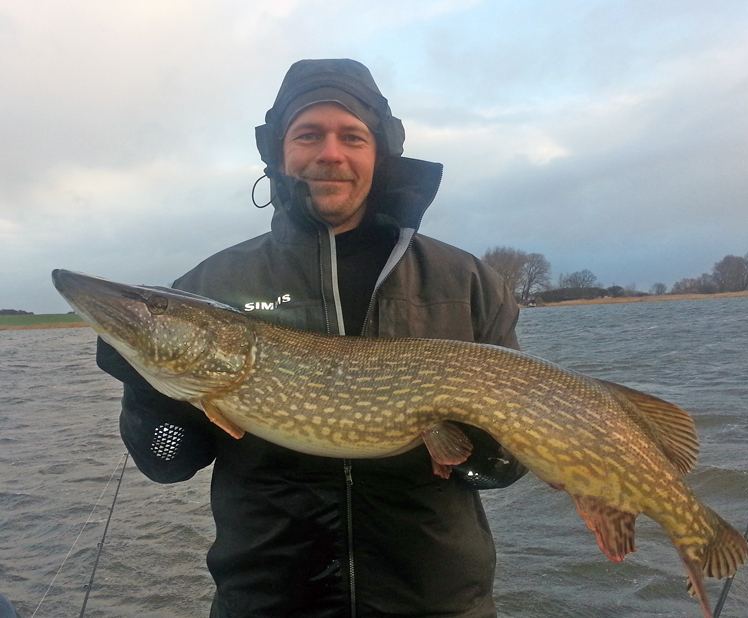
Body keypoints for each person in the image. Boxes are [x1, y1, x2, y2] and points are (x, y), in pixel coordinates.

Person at [97, 58, 527, 618]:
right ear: (279, 152)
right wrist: (148, 378)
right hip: (270, 601)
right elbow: (167, 461)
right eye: (308, 134)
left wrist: (483, 447)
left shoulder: (466, 282)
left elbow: (502, 470)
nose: (331, 153)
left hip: (435, 602)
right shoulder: (211, 286)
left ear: (380, 154)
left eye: (352, 136)